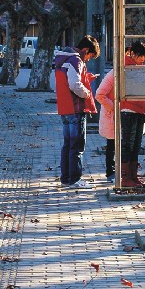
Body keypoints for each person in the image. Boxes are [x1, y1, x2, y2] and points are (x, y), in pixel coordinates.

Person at [54, 36, 100, 188]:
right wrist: (87, 92)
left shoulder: (62, 58)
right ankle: (75, 178)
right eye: (90, 56)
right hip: (76, 108)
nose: (88, 60)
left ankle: (66, 178)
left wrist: (86, 78)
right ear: (86, 50)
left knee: (67, 144)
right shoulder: (76, 61)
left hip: (64, 107)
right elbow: (74, 84)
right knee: (77, 145)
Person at [120, 41, 145, 188]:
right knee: (128, 145)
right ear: (134, 54)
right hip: (129, 110)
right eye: (141, 57)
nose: (142, 60)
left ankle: (132, 176)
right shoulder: (127, 66)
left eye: (144, 58)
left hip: (139, 109)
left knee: (136, 145)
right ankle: (125, 178)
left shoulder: (139, 68)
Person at [95, 67, 115, 181]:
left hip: (123, 114)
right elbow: (100, 95)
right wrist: (114, 108)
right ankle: (110, 171)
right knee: (112, 145)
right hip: (112, 115)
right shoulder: (112, 74)